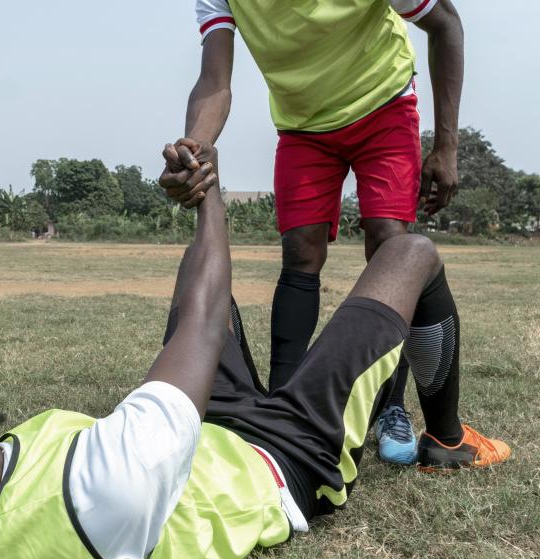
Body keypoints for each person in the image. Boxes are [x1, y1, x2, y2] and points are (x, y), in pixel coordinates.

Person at [0, 146, 508, 559]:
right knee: (407, 254)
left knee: (198, 284)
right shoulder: (101, 497)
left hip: (195, 440)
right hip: (282, 461)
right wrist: (207, 195)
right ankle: (445, 440)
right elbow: (202, 314)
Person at [159, 0, 464, 465]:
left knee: (390, 244)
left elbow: (445, 23)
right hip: (304, 126)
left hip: (382, 104)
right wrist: (195, 147)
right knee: (300, 251)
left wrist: (446, 147)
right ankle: (280, 402)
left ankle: (389, 408)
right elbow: (215, 81)